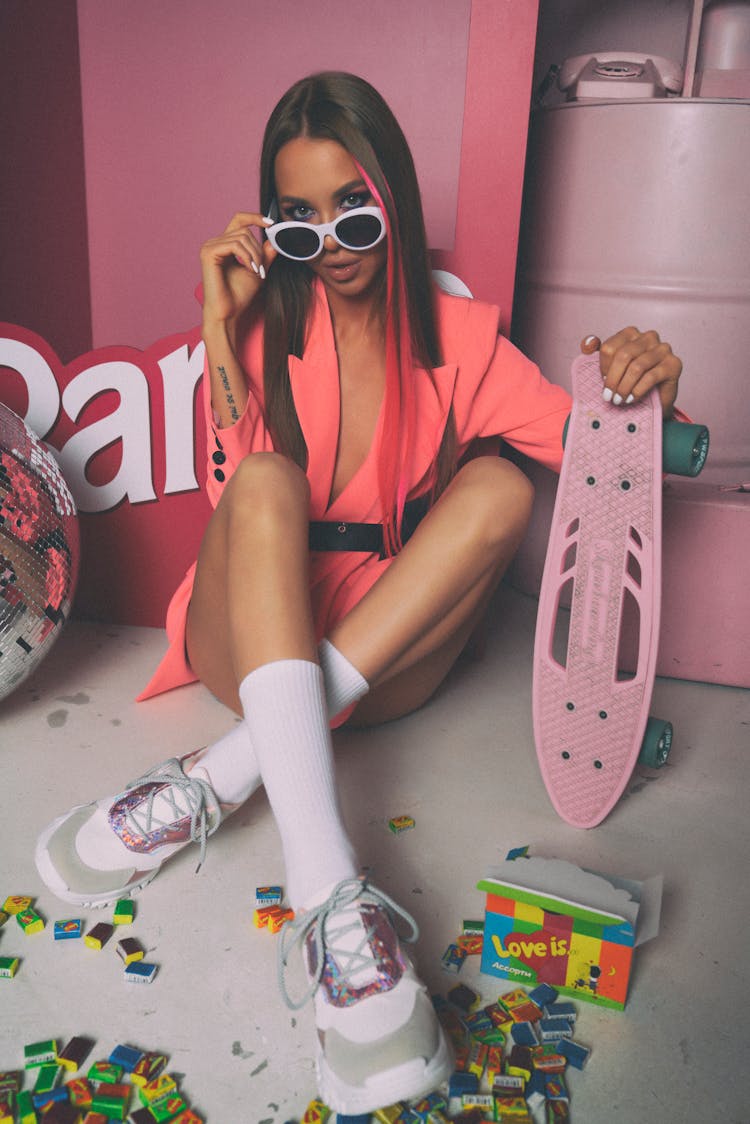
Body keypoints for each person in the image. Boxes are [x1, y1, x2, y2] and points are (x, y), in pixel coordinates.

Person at [34, 72, 683, 1112]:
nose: (331, 239)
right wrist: (216, 323)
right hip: (246, 627)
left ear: (395, 199)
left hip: (375, 650)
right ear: (272, 226)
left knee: (501, 487)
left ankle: (220, 773)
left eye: (353, 206)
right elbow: (231, 495)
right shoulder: (258, 330)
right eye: (298, 217)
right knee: (261, 479)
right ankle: (328, 886)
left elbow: (594, 450)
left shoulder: (462, 345)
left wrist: (642, 383)